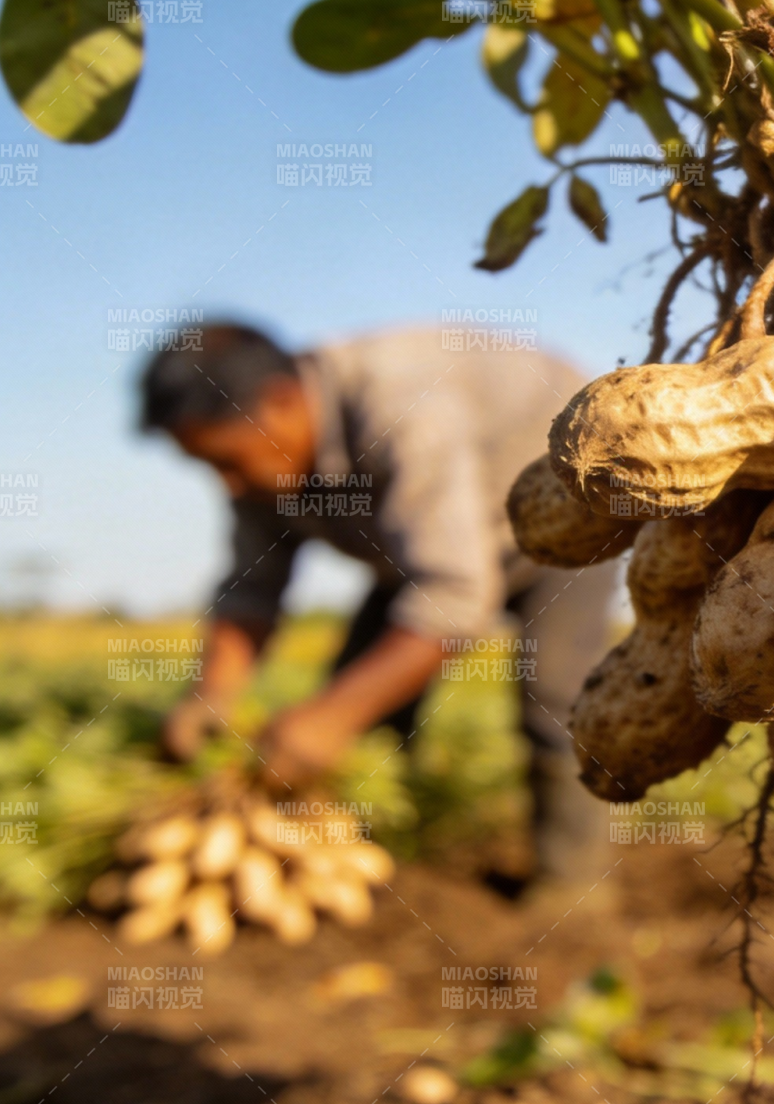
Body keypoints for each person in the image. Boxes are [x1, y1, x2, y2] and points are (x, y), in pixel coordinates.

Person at [141, 321, 616, 882]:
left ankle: (574, 897)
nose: (228, 485)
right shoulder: (259, 463)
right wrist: (214, 692)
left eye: (226, 461)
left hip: (572, 523)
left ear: (280, 401)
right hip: (433, 550)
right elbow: (253, 585)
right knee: (361, 698)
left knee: (557, 699)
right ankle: (363, 873)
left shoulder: (404, 406)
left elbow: (455, 594)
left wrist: (334, 718)